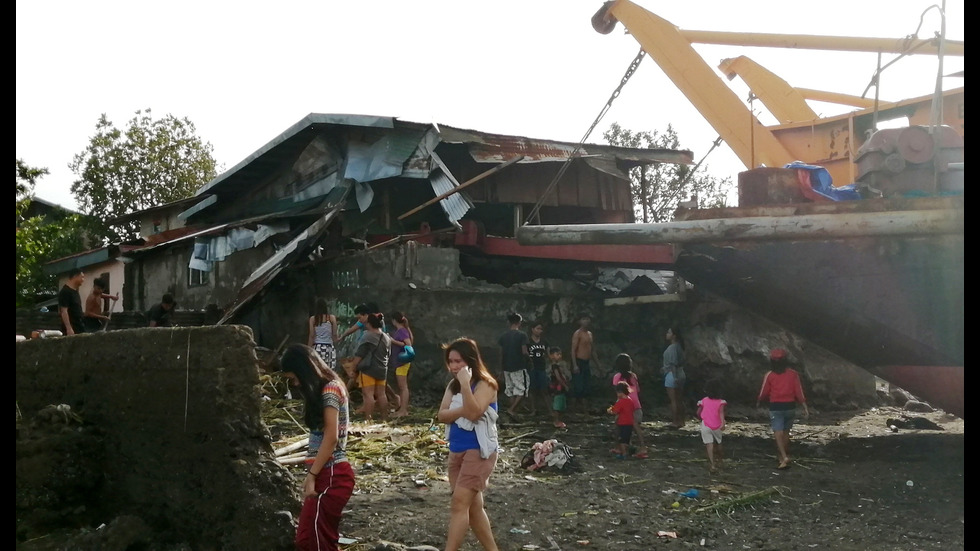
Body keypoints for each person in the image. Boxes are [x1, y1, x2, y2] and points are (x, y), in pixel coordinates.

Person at [278, 344, 354, 551]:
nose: (295, 384)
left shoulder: (330, 389)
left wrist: (311, 475)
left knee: (313, 541)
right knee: (314, 538)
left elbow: (331, 438)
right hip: (326, 473)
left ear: (304, 370)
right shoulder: (328, 388)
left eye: (294, 378)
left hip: (332, 474)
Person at [436, 337, 501, 551]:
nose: (454, 367)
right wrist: (461, 408)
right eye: (451, 361)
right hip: (456, 450)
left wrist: (465, 384)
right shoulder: (452, 385)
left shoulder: (486, 384)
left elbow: (473, 414)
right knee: (473, 508)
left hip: (479, 451)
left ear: (471, 361)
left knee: (458, 505)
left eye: (459, 361)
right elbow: (442, 416)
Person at [756, 348, 809, 470]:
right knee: (785, 433)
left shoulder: (769, 375)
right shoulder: (793, 374)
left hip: (776, 407)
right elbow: (799, 392)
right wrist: (805, 407)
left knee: (777, 432)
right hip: (790, 407)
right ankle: (781, 456)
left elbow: (764, 392)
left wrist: (758, 402)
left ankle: (784, 457)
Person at [349, 312, 391, 422]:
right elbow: (388, 354)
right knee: (382, 394)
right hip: (382, 369)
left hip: (369, 370)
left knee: (368, 395)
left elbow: (359, 355)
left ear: (369, 324)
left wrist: (353, 368)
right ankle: (384, 419)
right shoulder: (386, 337)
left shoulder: (367, 336)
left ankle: (368, 419)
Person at [611, 353, 648, 458]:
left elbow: (618, 394)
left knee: (619, 426)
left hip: (624, 406)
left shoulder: (617, 377)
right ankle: (642, 447)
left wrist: (616, 408)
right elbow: (638, 390)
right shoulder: (633, 376)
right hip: (636, 405)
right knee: (636, 427)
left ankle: (619, 447)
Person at [497, 313, 529, 419]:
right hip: (518, 366)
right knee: (522, 390)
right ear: (519, 323)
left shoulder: (503, 336)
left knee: (510, 389)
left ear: (508, 323)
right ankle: (512, 409)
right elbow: (524, 351)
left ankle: (512, 411)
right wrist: (530, 360)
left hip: (506, 366)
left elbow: (501, 353)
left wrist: (501, 369)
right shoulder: (522, 335)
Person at [570, 313, 600, 414]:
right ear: (579, 321)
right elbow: (573, 350)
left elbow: (592, 350)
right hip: (578, 362)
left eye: (587, 319)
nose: (586, 321)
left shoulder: (590, 334)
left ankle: (584, 411)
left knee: (586, 387)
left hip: (586, 362)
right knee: (578, 387)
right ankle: (573, 411)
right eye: (583, 319)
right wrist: (574, 365)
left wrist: (598, 365)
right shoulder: (577, 333)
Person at [697, 380, 728, 473]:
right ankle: (720, 460)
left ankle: (712, 464)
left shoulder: (703, 401)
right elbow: (721, 413)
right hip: (717, 425)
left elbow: (698, 412)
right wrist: (722, 423)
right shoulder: (721, 402)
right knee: (719, 442)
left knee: (708, 445)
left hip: (706, 424)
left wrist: (701, 417)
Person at [389, 311, 414, 418]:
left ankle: (403, 410)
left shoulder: (402, 331)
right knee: (402, 387)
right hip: (399, 362)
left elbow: (408, 344)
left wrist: (392, 341)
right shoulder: (402, 330)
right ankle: (402, 409)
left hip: (402, 362)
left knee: (403, 387)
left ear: (394, 320)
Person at [661, 326, 687, 429]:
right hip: (681, 373)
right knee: (679, 399)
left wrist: (674, 377)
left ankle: (675, 421)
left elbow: (673, 364)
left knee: (673, 400)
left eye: (669, 332)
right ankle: (682, 420)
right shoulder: (679, 346)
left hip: (673, 374)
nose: (667, 334)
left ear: (674, 336)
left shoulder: (672, 348)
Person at [526, 321, 551, 418]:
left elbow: (548, 355)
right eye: (537, 328)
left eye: (541, 329)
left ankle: (549, 410)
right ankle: (533, 410)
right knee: (532, 390)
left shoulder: (545, 342)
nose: (539, 331)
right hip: (531, 368)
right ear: (532, 329)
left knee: (544, 390)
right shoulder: (528, 342)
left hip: (542, 368)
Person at [307, 297, 339, 370]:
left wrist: (308, 349)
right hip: (329, 348)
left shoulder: (313, 319)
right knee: (329, 371)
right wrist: (336, 341)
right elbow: (334, 334)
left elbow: (311, 335)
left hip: (317, 347)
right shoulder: (332, 318)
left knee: (318, 370)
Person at [606, 381, 635, 460]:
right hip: (630, 423)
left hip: (622, 423)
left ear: (620, 392)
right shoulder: (631, 401)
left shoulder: (621, 402)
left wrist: (610, 411)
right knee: (627, 439)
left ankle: (624, 454)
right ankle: (626, 451)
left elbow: (615, 411)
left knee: (621, 439)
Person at [547, 346, 571, 429]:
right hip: (558, 387)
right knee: (557, 405)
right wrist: (565, 385)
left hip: (560, 387)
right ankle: (556, 421)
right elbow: (558, 378)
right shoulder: (554, 366)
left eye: (560, 354)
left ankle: (559, 420)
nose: (560, 356)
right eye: (557, 354)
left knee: (561, 404)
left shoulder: (557, 365)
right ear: (552, 356)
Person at [58, 268, 86, 336]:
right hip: (72, 328)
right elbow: (64, 311)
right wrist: (69, 328)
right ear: (75, 276)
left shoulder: (75, 291)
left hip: (79, 326)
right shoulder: (65, 292)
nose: (83, 280)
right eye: (82, 277)